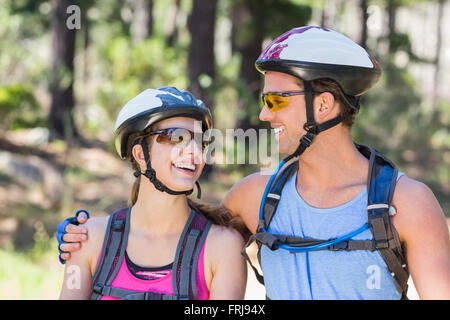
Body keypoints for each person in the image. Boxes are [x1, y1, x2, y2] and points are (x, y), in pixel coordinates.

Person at [58, 27, 450, 300]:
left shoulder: (409, 204)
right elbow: (175, 230)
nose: (264, 115)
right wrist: (89, 234)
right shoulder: (254, 197)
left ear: (324, 104)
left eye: (276, 100)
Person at [58, 87, 247, 300]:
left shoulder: (222, 247)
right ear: (140, 154)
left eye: (200, 141)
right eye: (177, 137)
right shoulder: (88, 238)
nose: (195, 152)